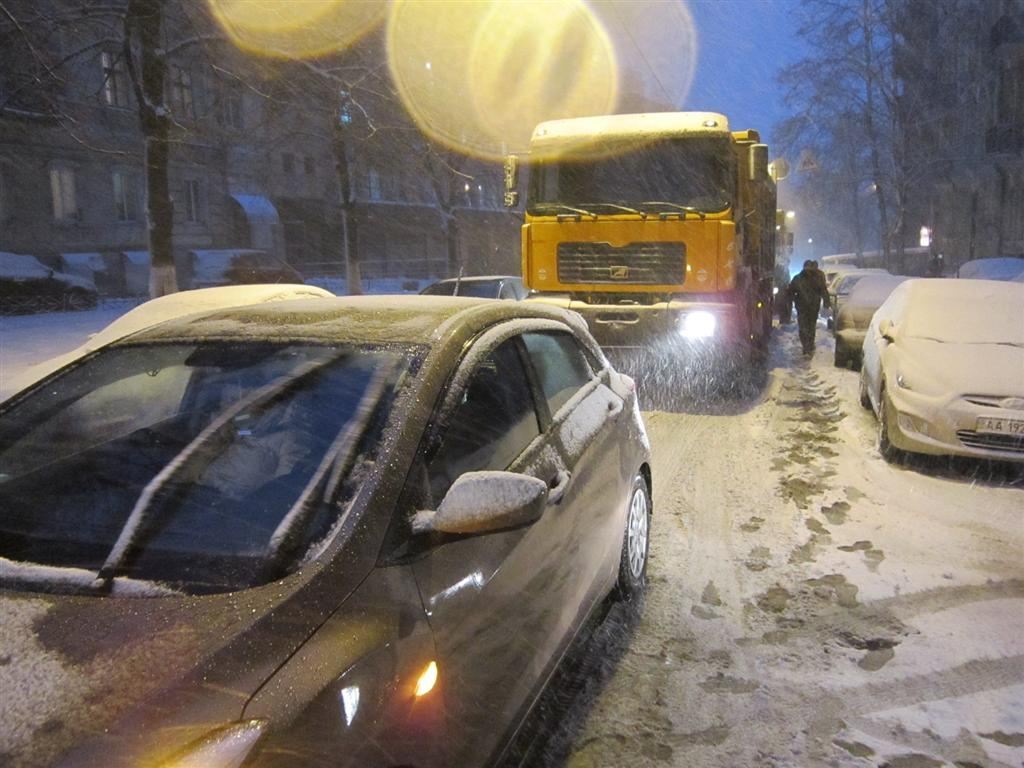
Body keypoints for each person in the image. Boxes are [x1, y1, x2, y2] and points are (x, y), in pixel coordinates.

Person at [787, 260, 830, 356]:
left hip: (802, 307)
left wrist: (794, 300)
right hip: (813, 306)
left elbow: (790, 291)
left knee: (803, 326)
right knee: (811, 326)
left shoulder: (798, 278)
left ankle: (806, 346)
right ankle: (809, 345)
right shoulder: (817, 278)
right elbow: (823, 290)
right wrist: (826, 303)